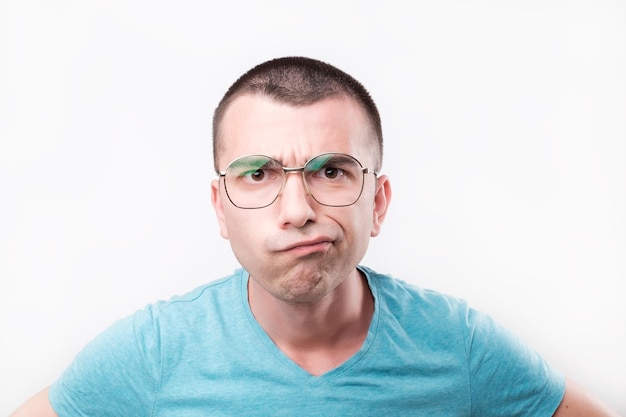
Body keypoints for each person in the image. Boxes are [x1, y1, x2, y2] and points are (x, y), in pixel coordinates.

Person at [10, 56, 620, 417]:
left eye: (330, 171)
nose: (298, 210)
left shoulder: (461, 347)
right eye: (258, 174)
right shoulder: (152, 352)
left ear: (377, 202)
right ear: (221, 208)